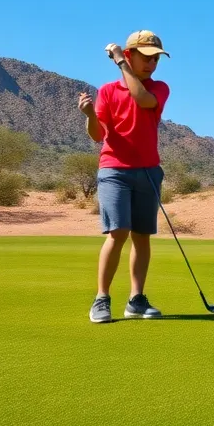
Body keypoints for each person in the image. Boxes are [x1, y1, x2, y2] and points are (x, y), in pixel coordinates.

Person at [78, 30, 172, 323]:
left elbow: (142, 100)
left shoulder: (159, 88)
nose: (152, 63)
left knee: (141, 237)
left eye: (155, 58)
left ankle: (136, 300)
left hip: (148, 171)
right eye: (145, 57)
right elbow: (98, 136)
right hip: (114, 170)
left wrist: (121, 63)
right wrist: (91, 115)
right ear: (132, 55)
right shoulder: (107, 91)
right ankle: (101, 299)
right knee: (118, 233)